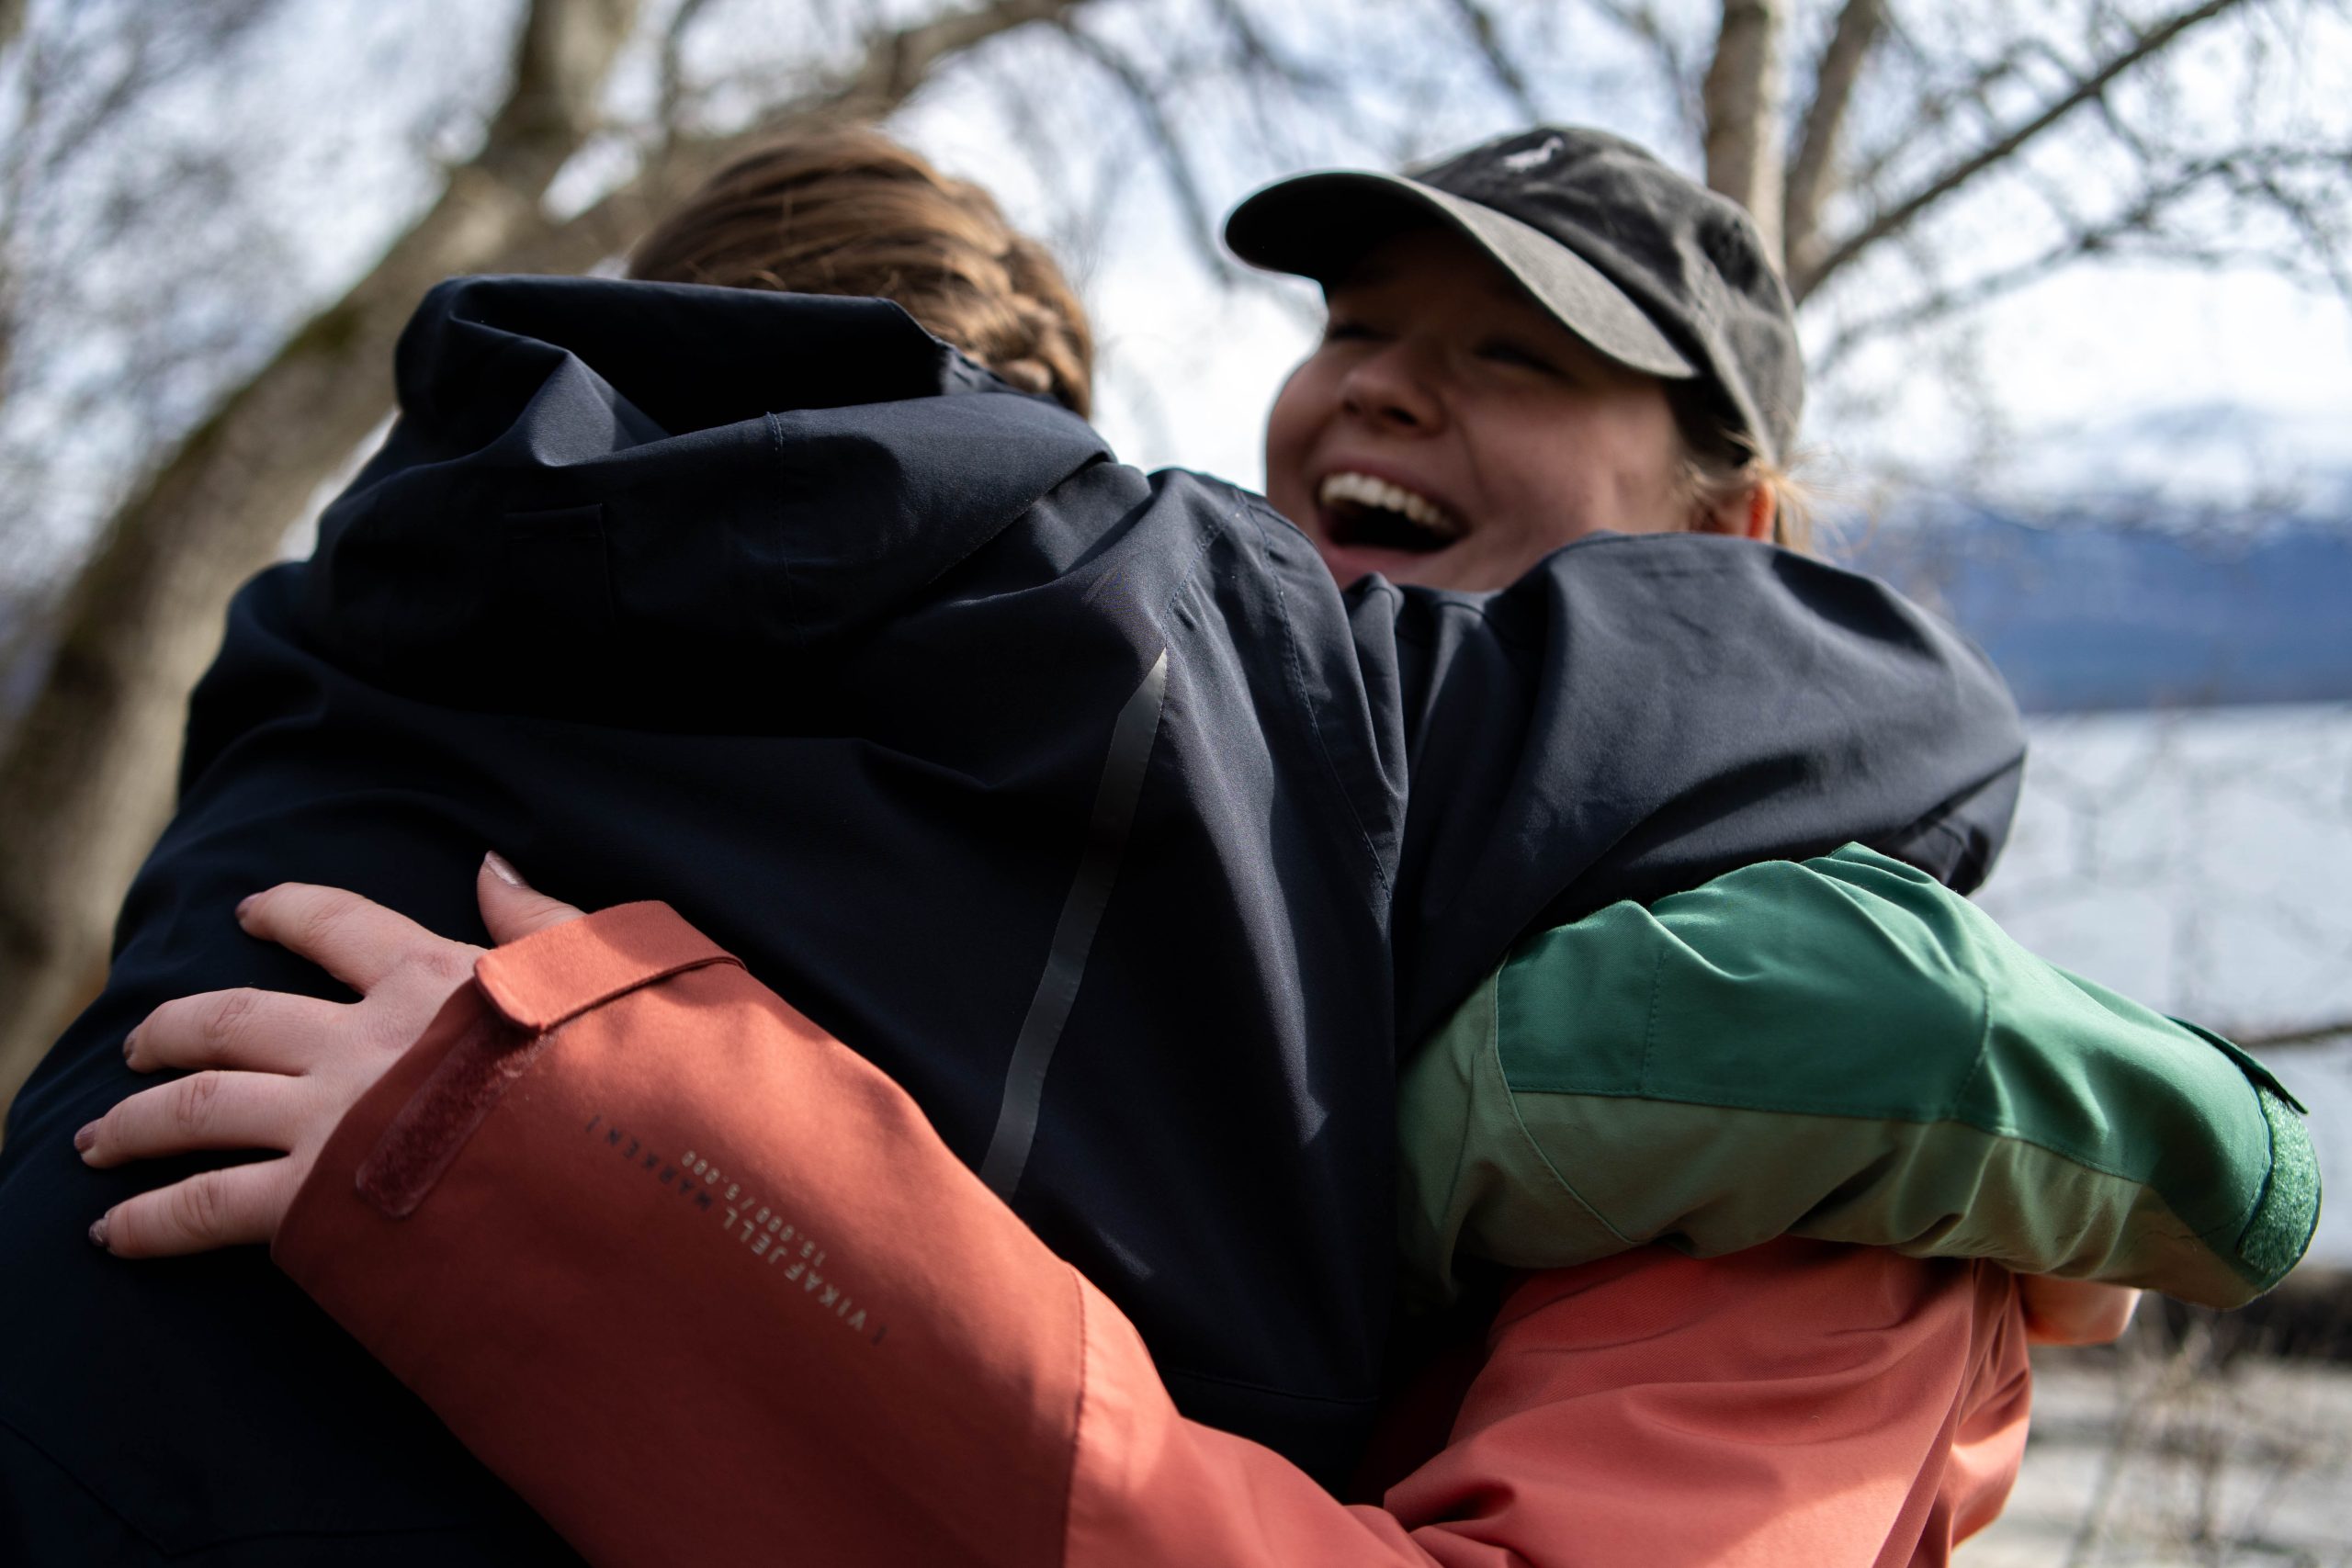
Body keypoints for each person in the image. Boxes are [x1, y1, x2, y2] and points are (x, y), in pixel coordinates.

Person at [6, 126, 2312, 1565]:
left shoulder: (1814, 1114)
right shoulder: (1149, 877)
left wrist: (605, 1161)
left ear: (1729, 542)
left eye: (1513, 358)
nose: (1383, 384)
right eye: (1360, 328)